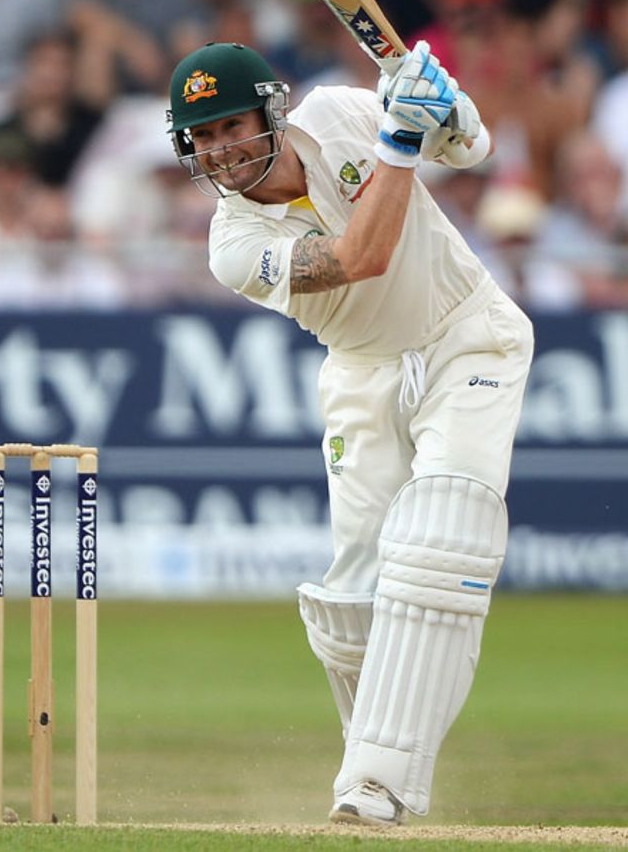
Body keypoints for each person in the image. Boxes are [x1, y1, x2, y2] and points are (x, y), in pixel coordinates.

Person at [165, 42, 533, 826]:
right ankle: (377, 767)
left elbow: (472, 149)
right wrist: (401, 140)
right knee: (351, 602)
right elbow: (362, 257)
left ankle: (377, 784)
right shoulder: (232, 247)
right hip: (362, 371)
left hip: (468, 333)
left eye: (229, 123)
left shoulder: (339, 112)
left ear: (269, 109)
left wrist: (439, 102)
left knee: (439, 537)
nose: (220, 147)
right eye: (200, 136)